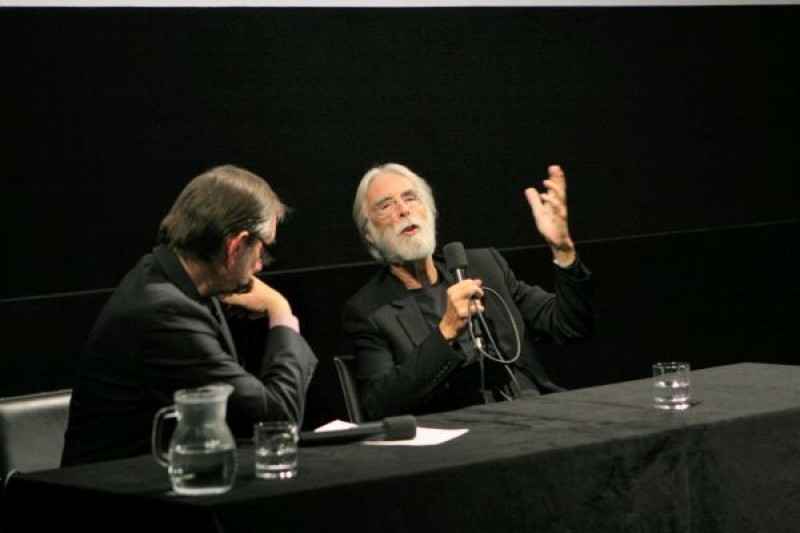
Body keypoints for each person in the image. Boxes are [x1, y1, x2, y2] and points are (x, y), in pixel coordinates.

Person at [61, 164, 318, 466]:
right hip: (109, 498)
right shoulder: (165, 312)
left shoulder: (165, 277)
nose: (261, 264)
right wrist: (280, 310)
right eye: (262, 248)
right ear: (235, 247)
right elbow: (277, 419)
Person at [342, 162, 595, 421]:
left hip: (533, 414)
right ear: (370, 234)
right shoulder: (369, 310)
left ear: (430, 211)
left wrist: (563, 250)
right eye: (386, 206)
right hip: (458, 434)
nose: (404, 210)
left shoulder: (484, 265)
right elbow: (379, 404)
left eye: (410, 198)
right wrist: (446, 331)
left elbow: (570, 326)